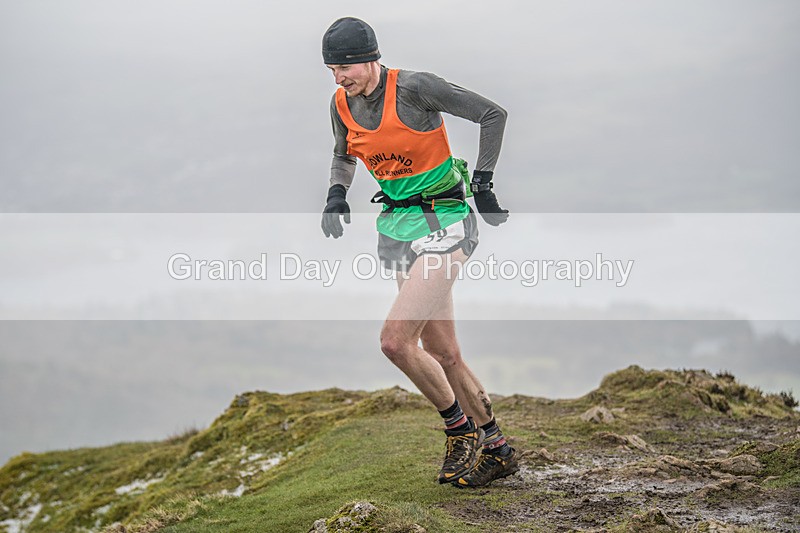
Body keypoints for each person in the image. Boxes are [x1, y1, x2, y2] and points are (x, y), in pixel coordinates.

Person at [320, 16, 517, 488]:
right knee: (442, 351)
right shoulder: (340, 104)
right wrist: (336, 194)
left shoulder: (415, 88)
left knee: (394, 341)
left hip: (445, 222)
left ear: (370, 58)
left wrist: (484, 183)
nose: (338, 77)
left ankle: (458, 429)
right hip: (395, 228)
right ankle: (498, 450)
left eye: (344, 67)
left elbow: (494, 115)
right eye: (331, 69)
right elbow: (344, 152)